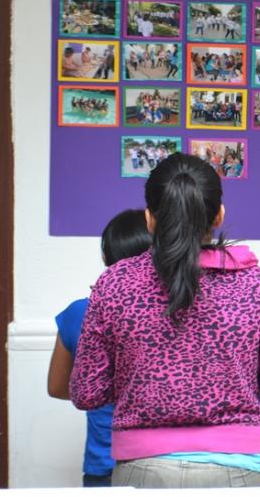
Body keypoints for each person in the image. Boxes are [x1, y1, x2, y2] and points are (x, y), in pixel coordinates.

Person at [70, 153, 260, 489]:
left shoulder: (115, 283)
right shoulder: (258, 286)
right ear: (219, 216)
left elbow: (86, 392)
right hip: (237, 473)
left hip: (140, 471)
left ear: (150, 219)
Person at [47, 209, 153, 487]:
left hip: (102, 463)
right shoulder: (172, 312)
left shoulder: (78, 312)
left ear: (106, 258)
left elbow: (58, 387)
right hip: (157, 461)